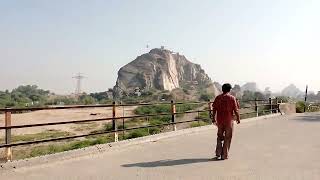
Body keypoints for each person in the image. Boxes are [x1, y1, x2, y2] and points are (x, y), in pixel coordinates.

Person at [211, 83, 240, 160]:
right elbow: (236, 110)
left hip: (220, 120)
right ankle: (224, 155)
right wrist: (238, 118)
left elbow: (214, 109)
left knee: (219, 136)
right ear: (229, 90)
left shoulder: (218, 98)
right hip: (228, 121)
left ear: (222, 89)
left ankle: (218, 153)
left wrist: (213, 118)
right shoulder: (232, 98)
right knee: (228, 137)